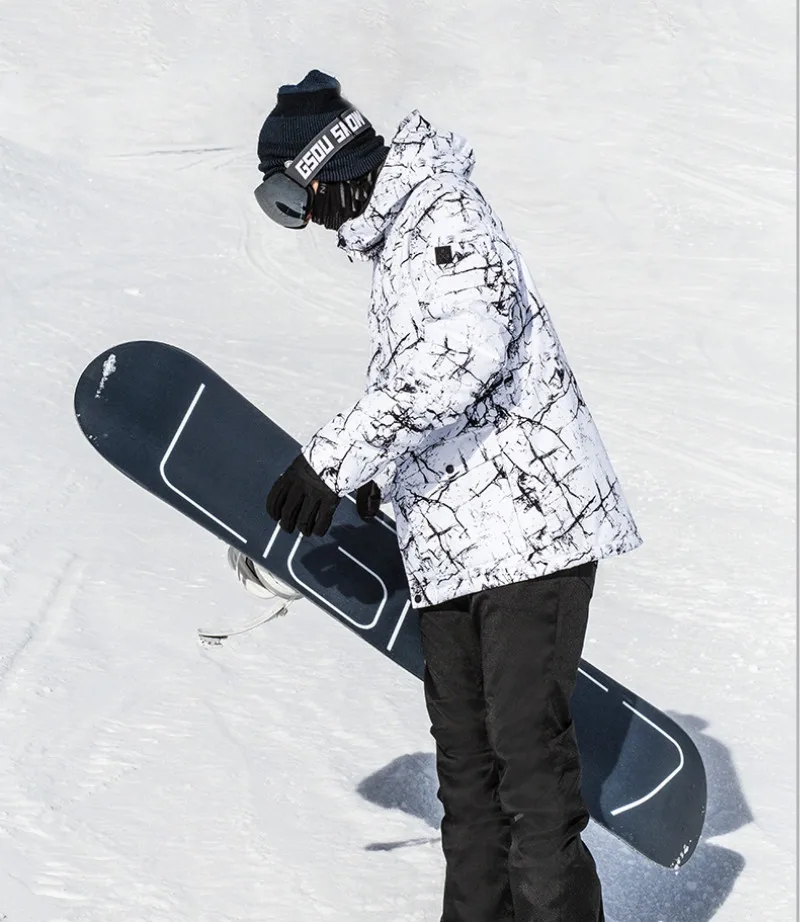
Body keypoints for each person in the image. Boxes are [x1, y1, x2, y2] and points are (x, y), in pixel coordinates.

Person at [241, 69, 642, 922]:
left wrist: (335, 461)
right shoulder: (401, 246)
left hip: (529, 538)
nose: (306, 221)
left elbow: (459, 360)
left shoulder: (446, 217)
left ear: (321, 169)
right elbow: (435, 398)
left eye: (291, 200)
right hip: (454, 550)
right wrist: (382, 476)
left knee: (527, 773)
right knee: (468, 778)